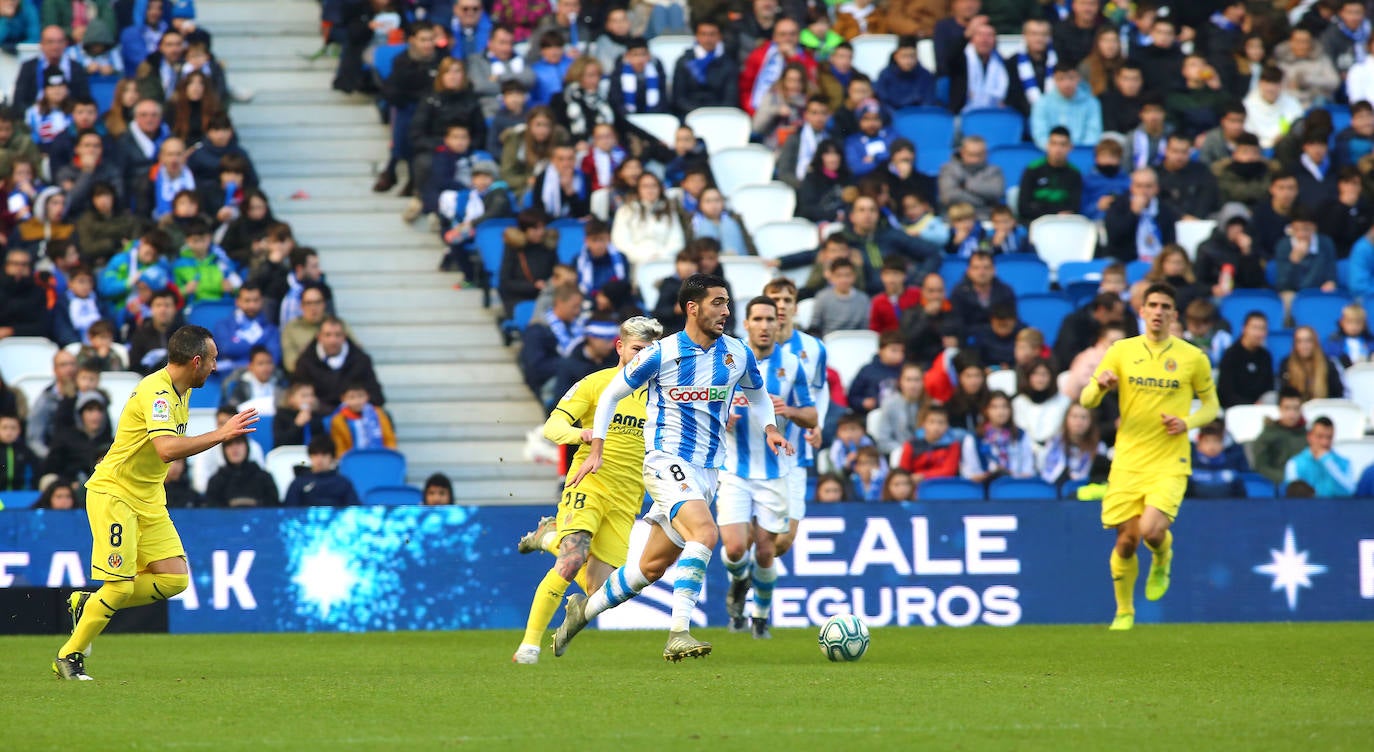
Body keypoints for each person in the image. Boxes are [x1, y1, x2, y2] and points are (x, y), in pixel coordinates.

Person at [551, 274, 793, 661]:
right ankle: (679, 631)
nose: (726, 311)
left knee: (650, 567)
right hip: (667, 462)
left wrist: (769, 428)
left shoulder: (737, 354)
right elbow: (612, 394)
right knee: (705, 532)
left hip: (708, 471)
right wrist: (596, 446)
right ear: (692, 308)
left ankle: (584, 611)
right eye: (718, 303)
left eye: (728, 303)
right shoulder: (661, 354)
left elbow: (759, 395)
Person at [53, 326, 258, 679]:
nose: (214, 367)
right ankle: (68, 657)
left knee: (174, 580)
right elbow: (166, 449)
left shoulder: (182, 391)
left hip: (148, 498)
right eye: (212, 360)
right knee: (119, 586)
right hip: (115, 495)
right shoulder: (157, 392)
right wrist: (220, 434)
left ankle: (88, 604)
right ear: (196, 361)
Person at [1080, 282, 1219, 631]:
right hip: (1128, 460)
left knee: (1151, 530)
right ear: (1141, 311)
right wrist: (1099, 385)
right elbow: (1086, 401)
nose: (1158, 311)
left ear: (1174, 314)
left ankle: (1162, 556)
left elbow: (1212, 407)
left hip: (1170, 460)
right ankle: (1124, 611)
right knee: (1126, 541)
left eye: (1165, 306)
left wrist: (1186, 422)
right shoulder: (1121, 351)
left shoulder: (1193, 358)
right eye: (1152, 305)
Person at [717, 297, 816, 636]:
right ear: (746, 324)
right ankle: (739, 583)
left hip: (775, 471)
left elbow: (812, 415)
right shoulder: (726, 360)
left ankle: (759, 615)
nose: (763, 325)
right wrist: (720, 417)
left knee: (765, 550)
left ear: (778, 324)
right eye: (757, 319)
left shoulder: (792, 364)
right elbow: (703, 403)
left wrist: (788, 410)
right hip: (733, 469)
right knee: (733, 549)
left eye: (769, 319)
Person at [763, 278, 829, 557]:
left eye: (787, 300)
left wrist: (818, 424)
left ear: (796, 307)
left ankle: (756, 577)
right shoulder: (743, 349)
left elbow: (820, 390)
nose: (781, 306)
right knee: (748, 537)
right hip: (753, 452)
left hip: (794, 452)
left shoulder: (814, 349)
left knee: (785, 539)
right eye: (775, 299)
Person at [293, 316, 385, 413]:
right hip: (318, 416)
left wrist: (355, 402)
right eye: (328, 335)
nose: (333, 340)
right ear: (319, 337)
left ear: (344, 336)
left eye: (337, 335)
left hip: (354, 415)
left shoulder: (361, 360)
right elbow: (297, 396)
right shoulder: (305, 362)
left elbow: (377, 396)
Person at [1104, 167, 1178, 263]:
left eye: (1148, 186)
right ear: (1131, 187)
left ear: (1156, 188)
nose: (1144, 191)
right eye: (1139, 186)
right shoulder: (1118, 206)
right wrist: (1133, 214)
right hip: (1126, 261)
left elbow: (1170, 242)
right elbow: (1115, 237)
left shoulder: (1165, 210)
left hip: (1158, 264)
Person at [1030, 64, 1102, 150]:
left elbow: (1093, 133)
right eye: (1061, 78)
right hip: (1050, 154)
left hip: (1082, 153)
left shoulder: (1092, 103)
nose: (1067, 84)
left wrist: (1079, 150)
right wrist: (1056, 151)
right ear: (1054, 80)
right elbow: (1040, 134)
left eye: (1071, 78)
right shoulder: (1042, 103)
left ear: (1079, 78)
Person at [1018, 126, 1083, 221]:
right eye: (1054, 144)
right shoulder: (1033, 169)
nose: (1058, 149)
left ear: (1070, 148)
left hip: (1064, 224)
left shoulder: (1075, 174)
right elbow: (1023, 207)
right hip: (1035, 222)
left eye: (1063, 144)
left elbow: (1074, 207)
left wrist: (1041, 208)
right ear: (1047, 145)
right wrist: (1055, 213)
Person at [1251, 387, 1311, 484]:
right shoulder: (1267, 436)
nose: (1292, 414)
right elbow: (1261, 467)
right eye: (1287, 408)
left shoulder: (1310, 437)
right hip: (1276, 489)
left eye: (1296, 408)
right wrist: (1287, 479)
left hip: (1308, 487)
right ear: (1279, 409)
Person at [1284, 416, 1356, 496]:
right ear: (1309, 437)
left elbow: (1350, 492)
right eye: (1320, 437)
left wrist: (1328, 463)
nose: (1324, 443)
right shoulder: (1294, 463)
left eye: (1329, 437)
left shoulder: (1345, 463)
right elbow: (1293, 495)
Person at [283, 434, 360, 507]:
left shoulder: (343, 483)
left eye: (324, 455)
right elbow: (290, 513)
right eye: (315, 455)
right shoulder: (298, 483)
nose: (319, 460)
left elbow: (354, 512)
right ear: (310, 457)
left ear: (332, 457)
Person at [938, 136, 1004, 219]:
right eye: (971, 154)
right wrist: (984, 201)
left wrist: (966, 184)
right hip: (955, 218)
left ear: (986, 153)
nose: (975, 159)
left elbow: (996, 193)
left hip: (985, 218)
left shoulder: (994, 171)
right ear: (962, 152)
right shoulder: (949, 169)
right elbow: (949, 197)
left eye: (979, 155)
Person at [203, 435, 278, 508]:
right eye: (229, 444)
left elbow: (273, 507)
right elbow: (212, 511)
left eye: (238, 442)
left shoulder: (264, 478)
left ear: (247, 447)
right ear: (224, 450)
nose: (234, 448)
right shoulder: (216, 481)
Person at [329, 382, 397, 453]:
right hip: (352, 459)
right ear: (343, 399)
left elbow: (389, 439)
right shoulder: (338, 419)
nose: (357, 401)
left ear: (367, 396)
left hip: (379, 457)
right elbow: (339, 447)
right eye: (352, 397)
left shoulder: (378, 414)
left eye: (360, 396)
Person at [810, 257, 871, 336]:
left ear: (854, 276)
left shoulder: (863, 299)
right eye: (839, 275)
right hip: (829, 342)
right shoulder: (822, 297)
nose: (844, 280)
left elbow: (865, 328)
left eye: (848, 275)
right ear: (831, 277)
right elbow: (815, 326)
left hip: (856, 341)